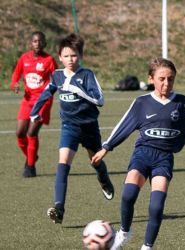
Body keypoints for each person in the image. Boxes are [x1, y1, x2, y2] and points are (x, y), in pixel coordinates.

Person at [91, 58, 185, 250]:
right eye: (162, 79)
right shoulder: (142, 103)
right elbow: (124, 125)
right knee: (128, 195)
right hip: (142, 153)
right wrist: (106, 147)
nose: (166, 83)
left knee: (156, 206)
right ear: (151, 79)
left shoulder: (183, 104)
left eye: (171, 79)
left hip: (164, 158)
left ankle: (147, 247)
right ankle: (124, 233)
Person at [30, 33, 114, 224]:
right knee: (63, 164)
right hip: (69, 126)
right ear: (60, 57)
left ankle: (104, 179)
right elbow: (46, 93)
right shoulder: (57, 75)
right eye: (66, 56)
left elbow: (100, 100)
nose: (70, 59)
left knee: (95, 161)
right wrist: (35, 111)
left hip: (89, 127)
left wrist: (79, 91)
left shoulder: (87, 75)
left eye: (74, 55)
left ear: (80, 55)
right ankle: (59, 208)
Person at [10, 31, 58, 177]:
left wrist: (50, 92)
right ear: (31, 43)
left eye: (40, 41)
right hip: (27, 100)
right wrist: (15, 85)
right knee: (19, 133)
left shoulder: (49, 60)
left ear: (44, 43)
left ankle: (30, 167)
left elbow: (57, 79)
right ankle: (32, 156)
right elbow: (15, 76)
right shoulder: (24, 58)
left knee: (32, 132)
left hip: (42, 101)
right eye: (34, 41)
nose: (37, 44)